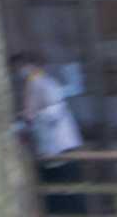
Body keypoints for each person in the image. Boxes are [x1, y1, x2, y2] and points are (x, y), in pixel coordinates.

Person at [14, 53, 86, 215]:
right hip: (51, 144)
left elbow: (54, 109)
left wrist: (32, 116)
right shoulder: (35, 83)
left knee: (67, 187)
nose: (20, 71)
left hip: (60, 143)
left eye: (20, 67)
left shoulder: (42, 82)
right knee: (57, 188)